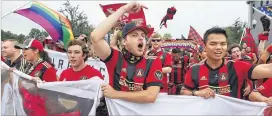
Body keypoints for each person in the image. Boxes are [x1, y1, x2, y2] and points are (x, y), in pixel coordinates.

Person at [91, 1, 163, 103]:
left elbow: (151, 96)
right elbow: (95, 37)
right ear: (124, 41)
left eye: (143, 35)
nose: (140, 38)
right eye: (134, 35)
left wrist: (115, 94)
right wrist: (124, 9)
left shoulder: (152, 62)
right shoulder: (115, 58)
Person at [182, 27, 272, 99]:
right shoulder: (194, 70)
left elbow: (267, 69)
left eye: (223, 44)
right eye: (213, 44)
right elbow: (184, 92)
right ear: (205, 47)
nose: (218, 47)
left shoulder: (237, 66)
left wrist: (269, 49)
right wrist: (197, 93)